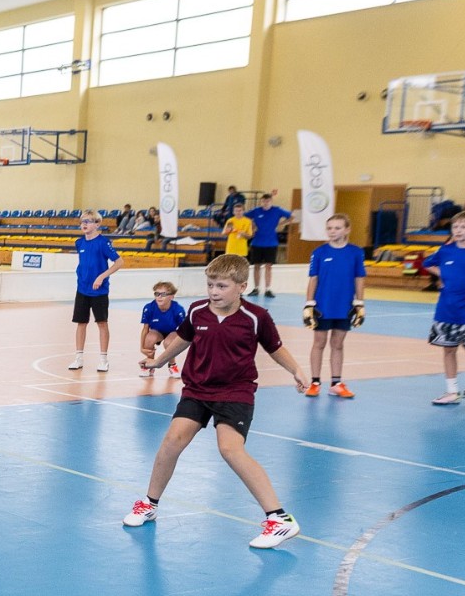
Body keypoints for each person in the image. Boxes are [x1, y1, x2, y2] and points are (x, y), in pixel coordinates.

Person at [126, 253, 310, 549]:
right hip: (197, 389)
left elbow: (275, 347)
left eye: (222, 286)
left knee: (230, 449)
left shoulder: (256, 317)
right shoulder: (197, 311)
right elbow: (183, 339)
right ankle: (150, 504)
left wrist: (296, 370)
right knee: (171, 441)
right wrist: (159, 361)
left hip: (235, 392)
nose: (214, 291)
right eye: (210, 285)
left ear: (242, 287)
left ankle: (279, 519)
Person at [302, 213, 367, 399]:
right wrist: (309, 304)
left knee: (338, 344)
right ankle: (315, 382)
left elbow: (359, 278)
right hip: (323, 306)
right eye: (329, 228)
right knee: (319, 343)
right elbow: (313, 279)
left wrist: (359, 303)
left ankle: (336, 383)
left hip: (344, 307)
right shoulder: (319, 252)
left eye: (337, 228)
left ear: (347, 230)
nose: (332, 231)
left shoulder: (356, 252)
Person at [423, 210, 465, 405]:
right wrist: (442, 274)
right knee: (448, 350)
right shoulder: (446, 250)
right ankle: (452, 391)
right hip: (446, 310)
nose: (458, 230)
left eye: (464, 227)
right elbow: (427, 263)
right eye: (455, 227)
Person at [69, 209, 123, 373]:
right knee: (81, 323)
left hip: (99, 292)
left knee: (102, 323)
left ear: (97, 224)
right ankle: (79, 358)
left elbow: (119, 262)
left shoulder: (103, 243)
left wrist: (101, 277)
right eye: (82, 221)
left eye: (88, 221)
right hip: (82, 289)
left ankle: (103, 359)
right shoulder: (79, 243)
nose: (84, 224)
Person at [244, 191, 292, 296]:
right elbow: (243, 217)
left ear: (271, 201)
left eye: (268, 201)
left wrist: (281, 223)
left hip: (271, 243)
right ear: (261, 202)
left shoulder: (277, 210)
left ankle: (267, 289)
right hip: (257, 243)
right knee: (256, 267)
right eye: (264, 201)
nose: (265, 203)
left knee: (268, 267)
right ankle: (256, 288)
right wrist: (251, 226)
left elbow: (291, 216)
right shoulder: (256, 211)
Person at [139, 281, 185, 378]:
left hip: (173, 332)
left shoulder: (178, 310)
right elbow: (145, 329)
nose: (159, 297)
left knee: (169, 343)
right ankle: (149, 364)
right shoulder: (149, 308)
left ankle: (172, 365)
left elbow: (183, 331)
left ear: (171, 297)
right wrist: (142, 348)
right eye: (157, 294)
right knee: (149, 338)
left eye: (163, 294)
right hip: (157, 331)